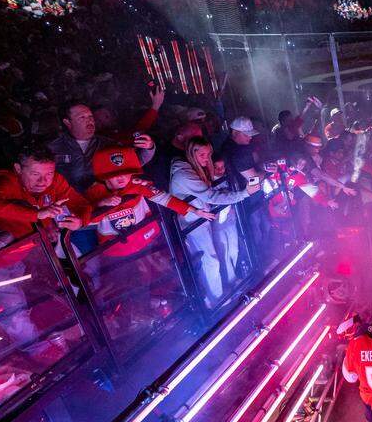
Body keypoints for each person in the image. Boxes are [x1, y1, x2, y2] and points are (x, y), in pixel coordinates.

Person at [169, 137, 260, 302]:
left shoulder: (196, 169)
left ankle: (222, 292)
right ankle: (217, 300)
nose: (206, 158)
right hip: (191, 224)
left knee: (215, 257)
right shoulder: (185, 174)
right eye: (202, 154)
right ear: (191, 153)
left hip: (200, 219)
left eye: (209, 154)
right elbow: (212, 196)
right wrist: (245, 193)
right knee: (210, 261)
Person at [85, 146, 215, 244]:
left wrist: (195, 211)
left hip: (147, 239)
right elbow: (85, 221)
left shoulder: (138, 184)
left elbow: (165, 199)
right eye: (115, 174)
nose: (122, 177)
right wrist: (102, 204)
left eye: (126, 172)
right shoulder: (94, 191)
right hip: (115, 248)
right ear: (104, 176)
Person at [0, 149, 90, 240]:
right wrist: (36, 214)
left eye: (49, 174)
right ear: (18, 169)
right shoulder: (6, 179)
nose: (43, 181)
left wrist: (79, 222)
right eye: (35, 174)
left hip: (36, 248)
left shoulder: (56, 180)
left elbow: (81, 205)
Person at [48, 102, 156, 192]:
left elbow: (136, 162)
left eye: (90, 116)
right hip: (70, 205)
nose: (89, 120)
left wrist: (148, 147)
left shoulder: (107, 144)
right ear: (67, 122)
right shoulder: (53, 148)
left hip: (103, 202)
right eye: (82, 117)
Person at [218, 116, 263, 192]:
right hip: (247, 195)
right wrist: (266, 171)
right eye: (246, 134)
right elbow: (254, 180)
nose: (250, 137)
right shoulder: (238, 152)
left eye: (251, 134)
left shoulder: (232, 145)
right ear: (234, 133)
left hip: (242, 193)